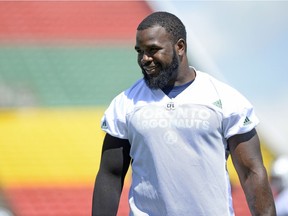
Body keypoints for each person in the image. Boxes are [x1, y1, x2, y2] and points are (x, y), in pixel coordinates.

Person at [92, 11, 276, 216]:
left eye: (153, 50)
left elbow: (251, 173)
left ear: (180, 47)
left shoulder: (226, 99)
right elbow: (111, 174)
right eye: (139, 51)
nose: (144, 58)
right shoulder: (125, 103)